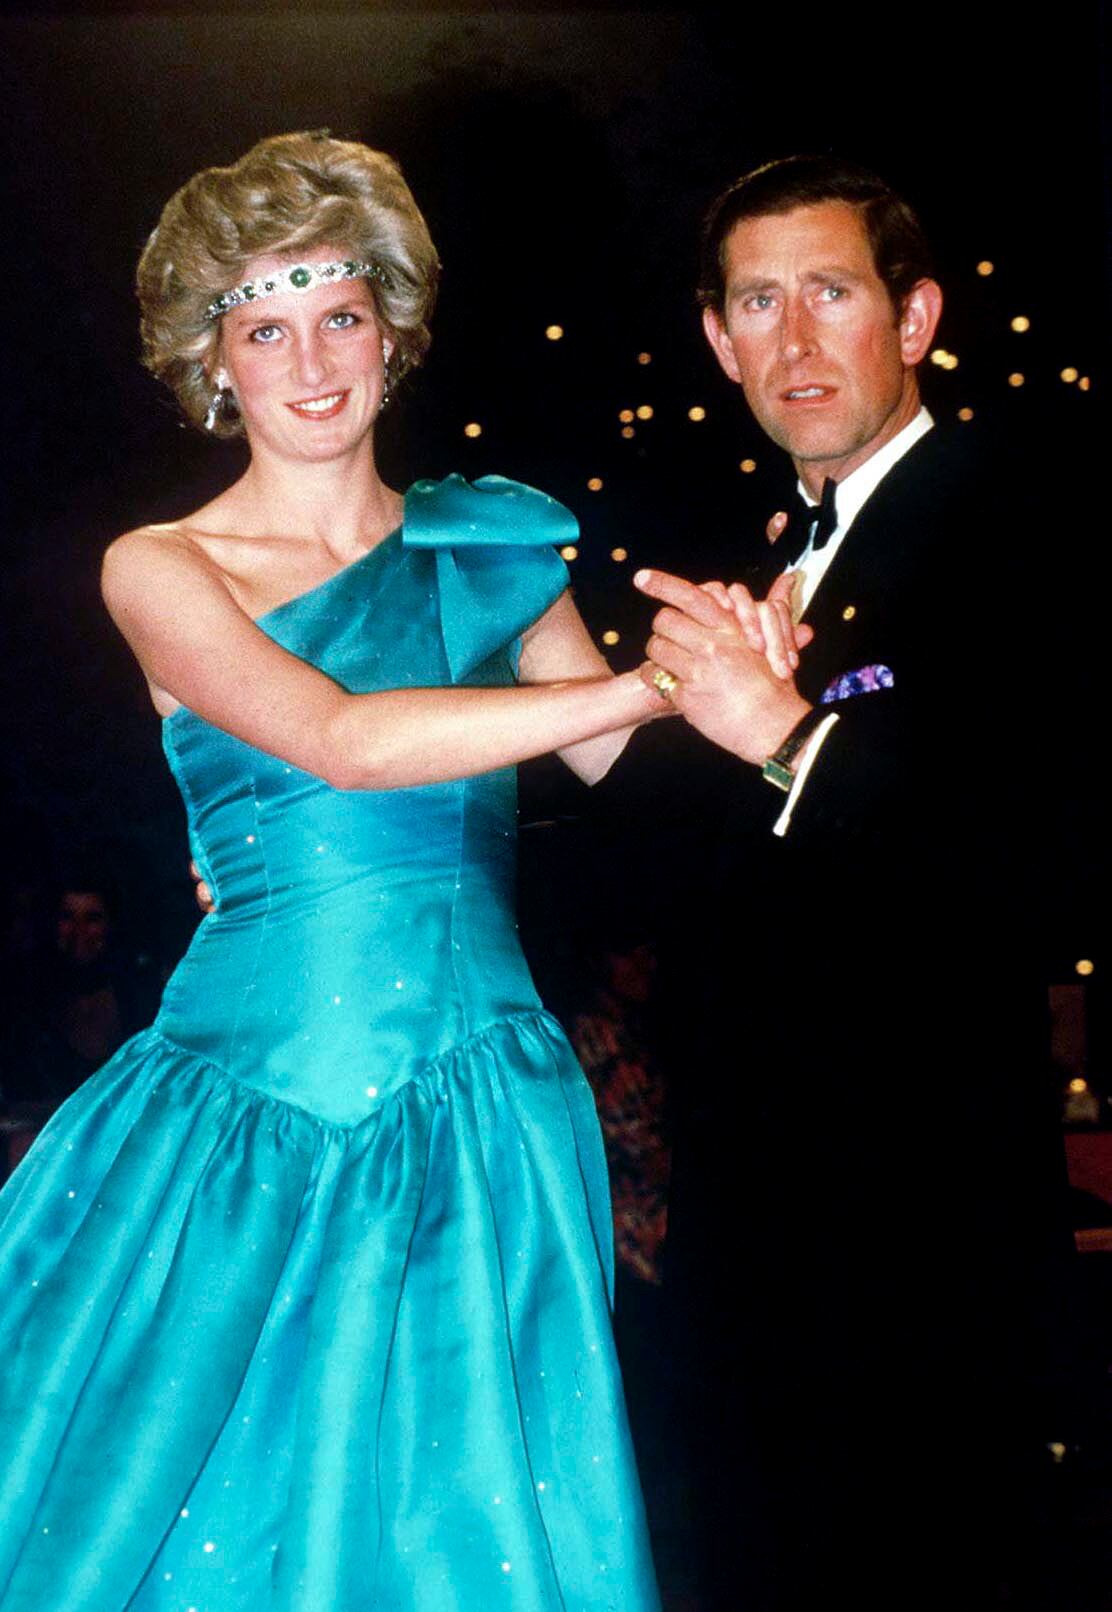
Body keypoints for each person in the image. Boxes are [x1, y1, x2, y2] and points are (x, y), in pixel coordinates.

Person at [0, 131, 673, 1612]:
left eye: (339, 315)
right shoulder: (161, 566)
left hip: (488, 1108)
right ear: (213, 361)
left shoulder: (499, 546)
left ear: (392, 332)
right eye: (264, 325)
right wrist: (647, 685)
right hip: (250, 1117)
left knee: (465, 1536)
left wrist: (765, 695)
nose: (309, 361)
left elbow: (646, 791)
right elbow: (343, 740)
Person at [622, 156, 1082, 1608]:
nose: (797, 341)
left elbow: (1041, 849)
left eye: (832, 293)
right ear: (718, 341)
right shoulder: (757, 553)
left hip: (924, 1221)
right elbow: (658, 841)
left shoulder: (1027, 512)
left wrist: (783, 738)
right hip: (755, 1208)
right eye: (759, 302)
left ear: (919, 315)